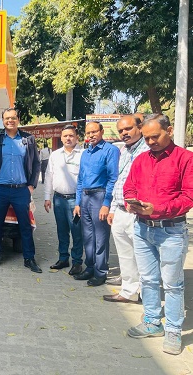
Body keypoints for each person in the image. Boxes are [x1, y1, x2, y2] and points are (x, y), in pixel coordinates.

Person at [123, 114, 193, 355]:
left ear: (170, 130)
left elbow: (189, 196)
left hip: (171, 230)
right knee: (149, 279)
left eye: (155, 136)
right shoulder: (141, 160)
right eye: (147, 138)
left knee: (173, 284)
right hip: (142, 229)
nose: (150, 142)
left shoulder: (186, 159)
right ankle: (153, 322)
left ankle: (173, 329)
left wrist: (159, 210)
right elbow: (129, 186)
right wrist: (130, 202)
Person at [0, 107, 41, 273]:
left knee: (25, 225)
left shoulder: (28, 139)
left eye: (13, 118)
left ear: (18, 119)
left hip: (21, 190)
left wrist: (31, 186)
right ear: (3, 121)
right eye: (7, 118)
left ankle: (29, 258)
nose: (10, 121)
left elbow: (36, 164)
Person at [103, 115, 148, 304]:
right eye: (121, 130)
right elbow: (118, 181)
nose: (124, 133)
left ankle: (147, 295)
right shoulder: (124, 150)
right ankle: (128, 291)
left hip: (138, 213)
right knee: (125, 254)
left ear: (140, 127)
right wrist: (113, 208)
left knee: (143, 256)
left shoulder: (148, 150)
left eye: (128, 129)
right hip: (120, 210)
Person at [73, 121, 119, 286]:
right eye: (88, 133)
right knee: (88, 236)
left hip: (100, 196)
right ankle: (90, 267)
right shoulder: (86, 153)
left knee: (100, 237)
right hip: (85, 197)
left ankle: (100, 272)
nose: (91, 135)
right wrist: (78, 202)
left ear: (102, 131)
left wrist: (107, 203)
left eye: (94, 132)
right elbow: (80, 179)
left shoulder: (110, 151)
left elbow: (113, 178)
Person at [43, 125, 83, 275]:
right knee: (62, 231)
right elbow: (48, 176)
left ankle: (77, 261)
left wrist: (80, 202)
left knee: (77, 232)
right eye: (65, 136)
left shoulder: (82, 154)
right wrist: (47, 197)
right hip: (58, 199)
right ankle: (63, 258)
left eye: (71, 135)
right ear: (61, 138)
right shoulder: (55, 155)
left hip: (75, 201)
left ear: (76, 137)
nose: (68, 138)